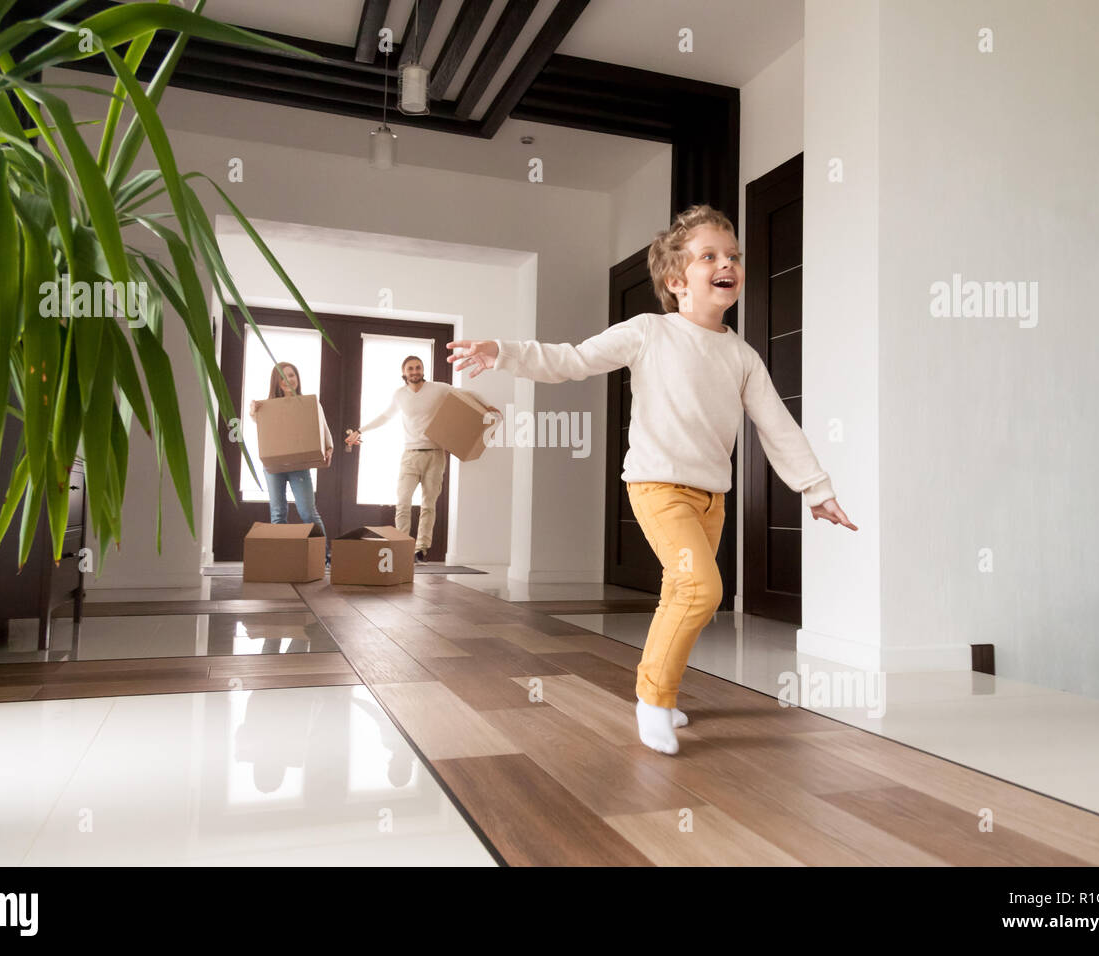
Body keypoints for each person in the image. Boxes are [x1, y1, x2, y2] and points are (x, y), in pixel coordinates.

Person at [445, 204, 858, 756]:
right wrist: (505, 353)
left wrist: (817, 488)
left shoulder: (741, 355)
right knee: (701, 588)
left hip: (712, 498)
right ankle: (654, 698)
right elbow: (571, 360)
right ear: (674, 279)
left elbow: (777, 424)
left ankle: (658, 688)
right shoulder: (648, 332)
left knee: (685, 595)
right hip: (657, 488)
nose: (726, 263)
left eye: (732, 256)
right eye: (709, 255)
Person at [344, 356, 497, 562]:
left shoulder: (438, 389)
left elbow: (467, 393)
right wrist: (360, 431)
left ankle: (421, 550)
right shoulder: (399, 395)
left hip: (435, 454)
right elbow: (384, 417)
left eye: (418, 368)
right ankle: (401, 545)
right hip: (410, 455)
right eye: (410, 369)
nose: (414, 371)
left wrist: (488, 406)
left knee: (428, 505)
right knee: (403, 502)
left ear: (422, 370)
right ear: (404, 372)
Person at [249, 361, 334, 565]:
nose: (288, 379)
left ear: (297, 378)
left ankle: (324, 556)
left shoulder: (308, 403)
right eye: (283, 376)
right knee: (278, 512)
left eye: (292, 375)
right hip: (273, 466)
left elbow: (322, 425)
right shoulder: (267, 406)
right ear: (276, 382)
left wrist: (329, 446)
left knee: (307, 511)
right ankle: (281, 558)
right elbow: (262, 428)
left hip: (299, 464)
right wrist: (254, 412)